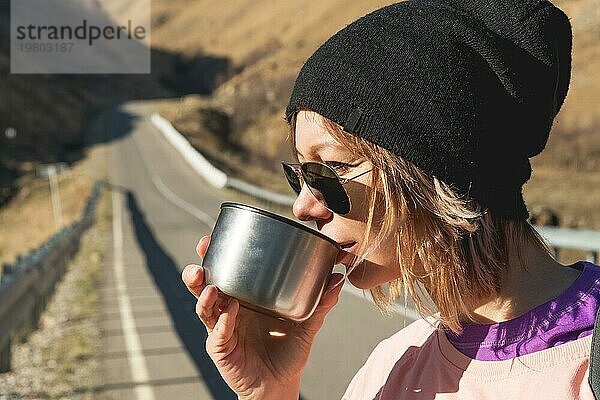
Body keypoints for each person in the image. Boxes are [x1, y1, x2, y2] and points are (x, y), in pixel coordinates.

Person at [182, 0, 600, 398]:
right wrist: (270, 391)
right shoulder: (390, 367)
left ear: (432, 169)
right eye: (299, 175)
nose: (303, 207)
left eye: (331, 170)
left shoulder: (585, 368)